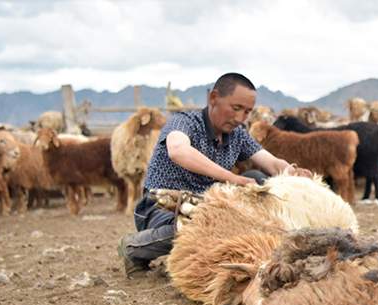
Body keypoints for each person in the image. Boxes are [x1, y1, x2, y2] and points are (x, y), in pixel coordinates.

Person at [118, 72, 308, 276]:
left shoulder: (237, 135)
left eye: (247, 112)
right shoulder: (184, 122)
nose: (240, 118)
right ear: (213, 98)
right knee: (195, 228)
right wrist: (232, 178)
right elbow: (178, 151)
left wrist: (290, 172)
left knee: (259, 180)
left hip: (208, 209)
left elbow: (270, 161)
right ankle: (133, 247)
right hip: (161, 208)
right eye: (236, 108)